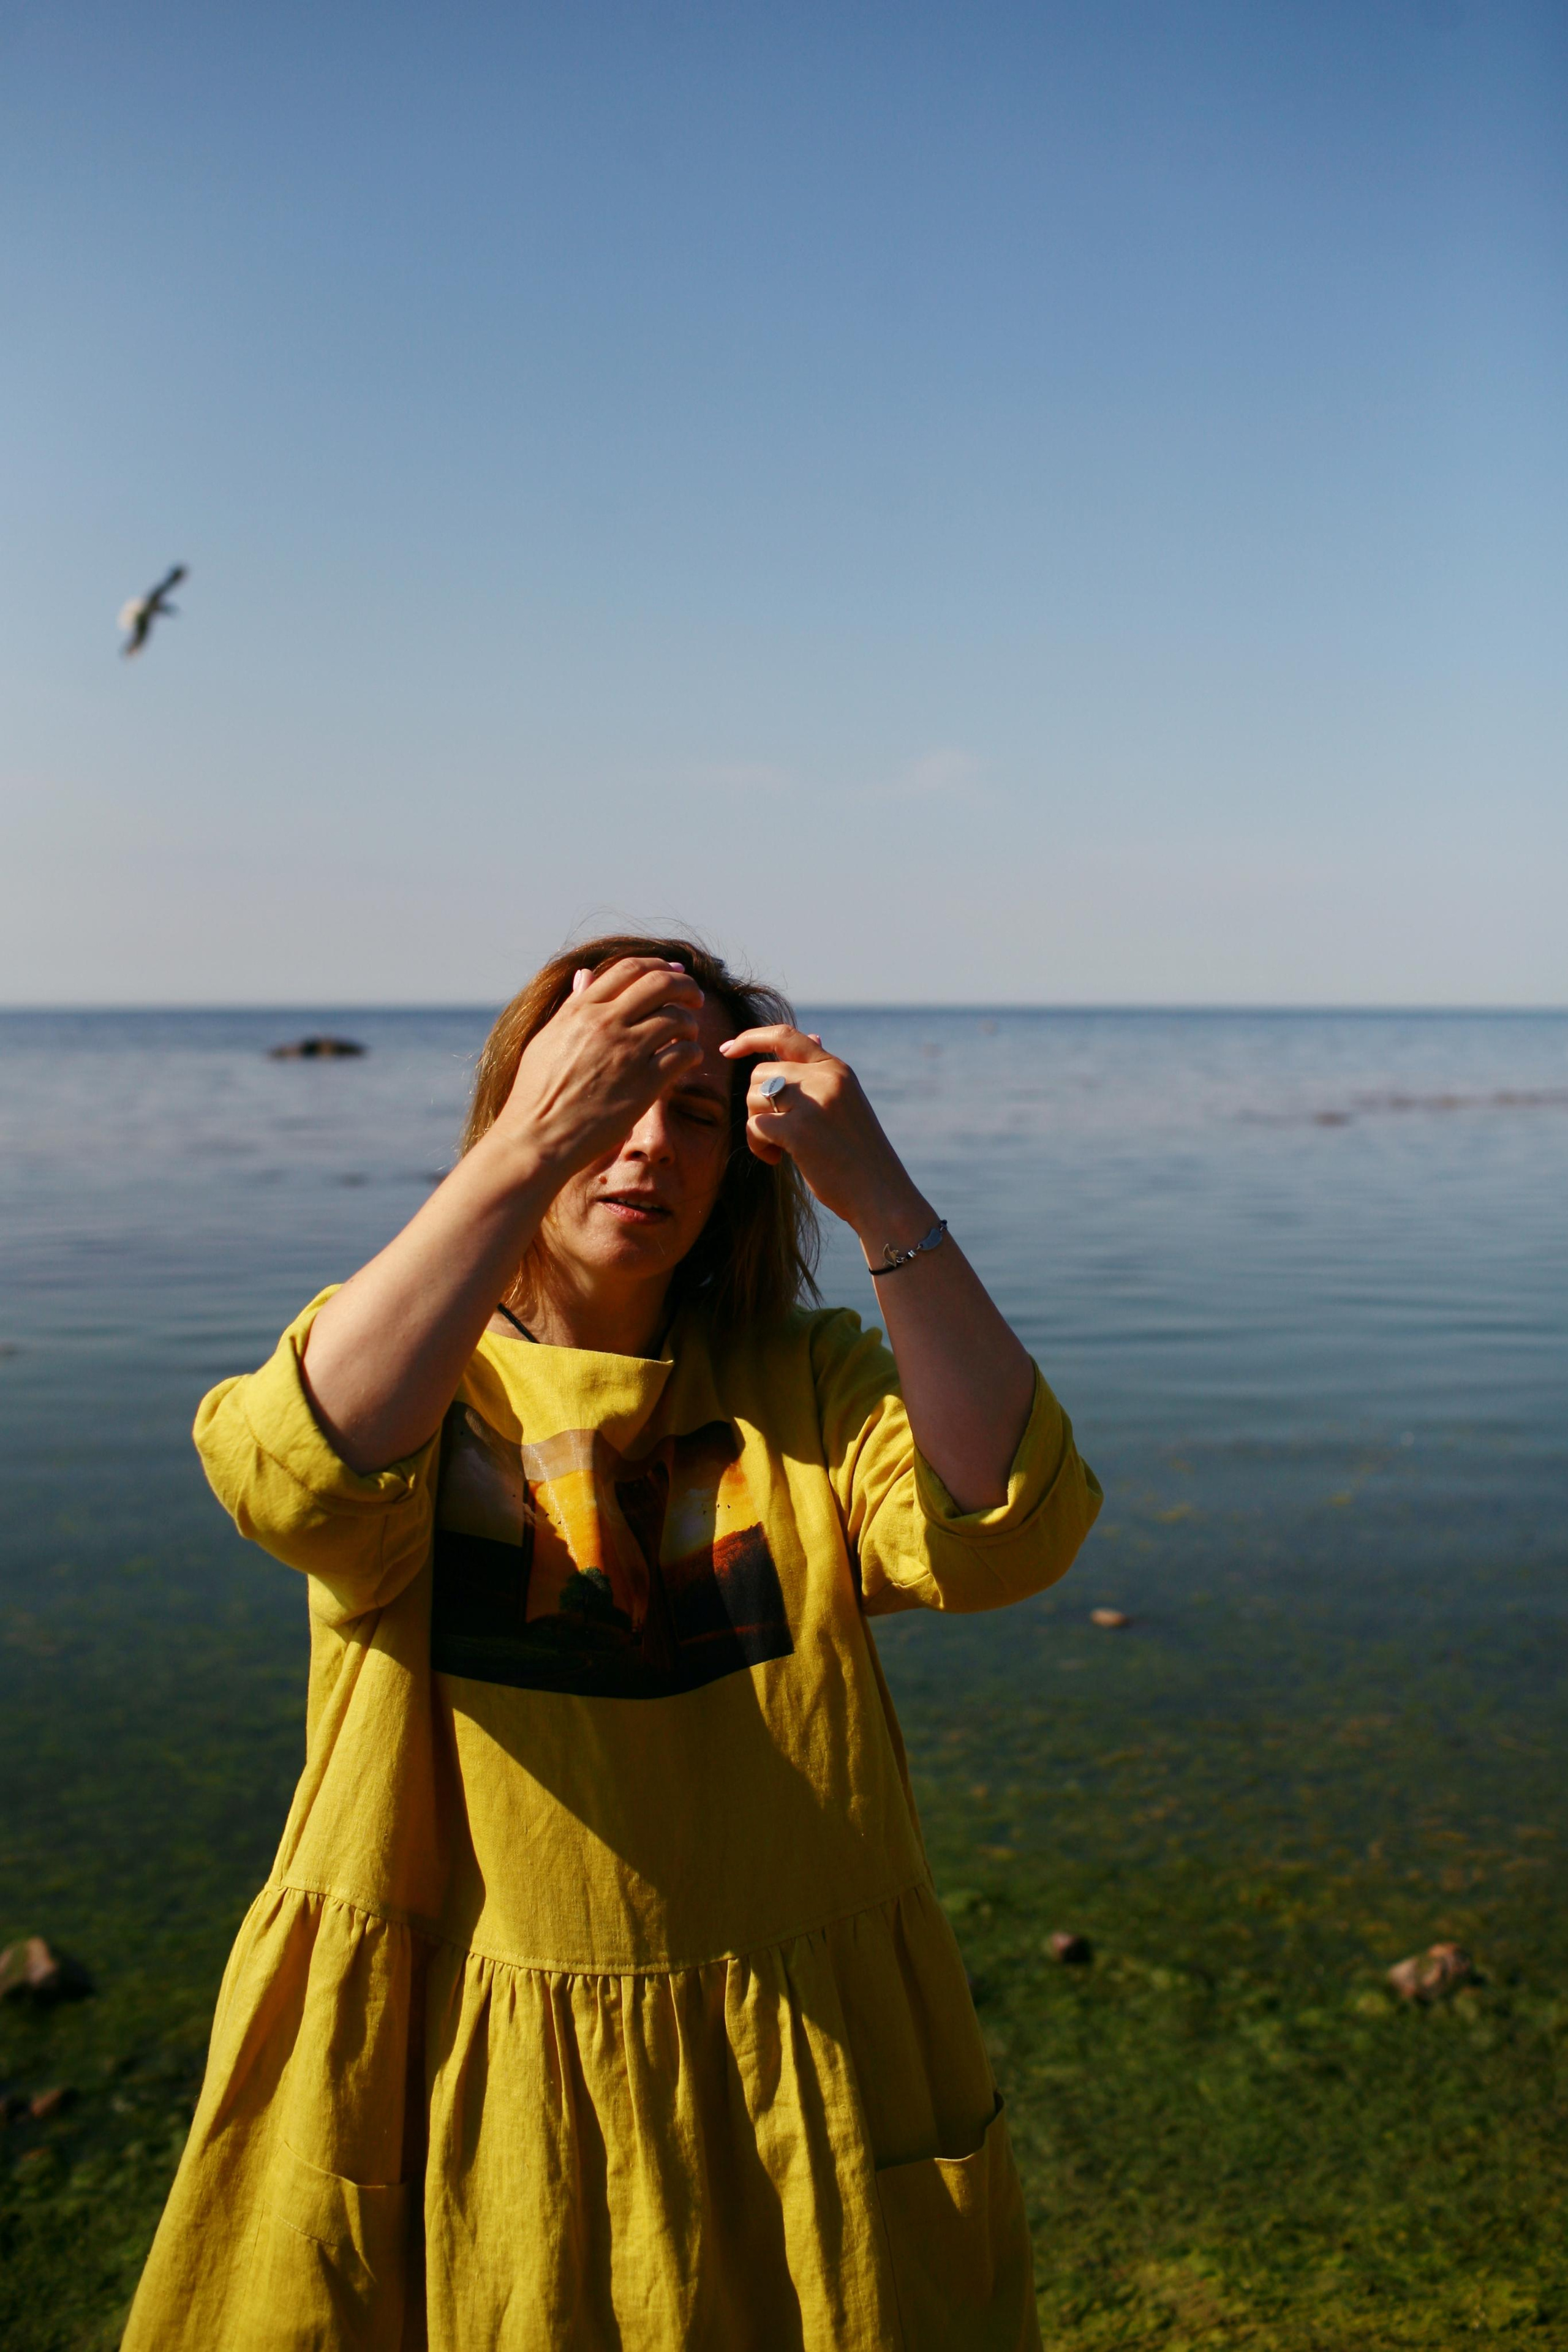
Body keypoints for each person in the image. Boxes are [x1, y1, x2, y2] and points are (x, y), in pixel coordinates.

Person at [123, 934, 1101, 2352]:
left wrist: (874, 1186)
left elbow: (1008, 1526)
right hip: (458, 2052)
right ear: (530, 1106)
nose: (644, 1145)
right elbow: (291, 1475)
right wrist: (528, 1144)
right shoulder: (421, 1371)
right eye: (605, 1095)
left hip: (801, 2050)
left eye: (691, 1113)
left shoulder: (801, 1385)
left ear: (736, 1171)